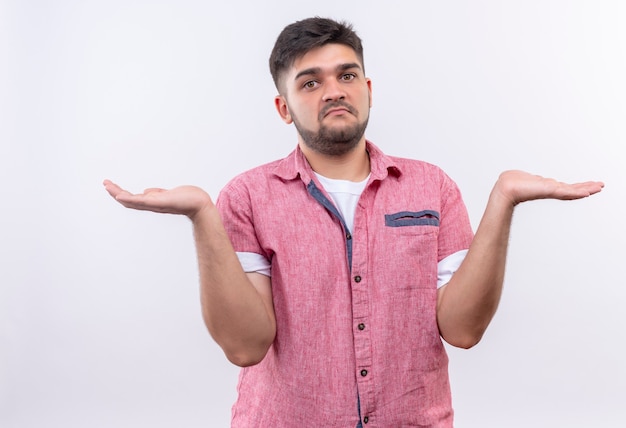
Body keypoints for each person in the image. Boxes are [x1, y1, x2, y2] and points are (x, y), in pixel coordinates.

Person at [103, 17, 603, 427]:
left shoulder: (433, 188)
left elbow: (463, 330)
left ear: (367, 89)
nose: (333, 91)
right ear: (284, 107)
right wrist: (201, 216)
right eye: (310, 81)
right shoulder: (248, 197)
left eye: (346, 76)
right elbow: (244, 344)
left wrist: (504, 200)